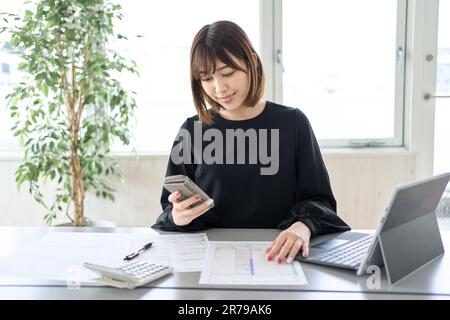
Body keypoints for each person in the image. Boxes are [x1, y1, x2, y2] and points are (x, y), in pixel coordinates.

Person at [152, 20, 350, 264]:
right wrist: (178, 217)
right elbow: (169, 211)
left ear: (252, 62)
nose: (218, 88)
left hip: (281, 258)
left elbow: (321, 202)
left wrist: (303, 226)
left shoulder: (293, 124)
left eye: (227, 73)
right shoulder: (192, 131)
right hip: (210, 263)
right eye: (206, 78)